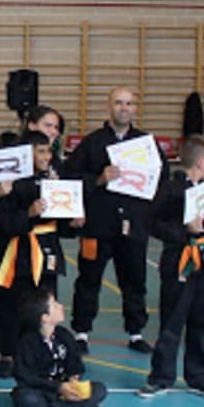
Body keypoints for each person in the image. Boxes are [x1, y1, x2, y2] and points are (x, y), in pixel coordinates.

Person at [66, 86, 163, 355]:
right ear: (109, 106)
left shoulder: (147, 144)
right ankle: (81, 332)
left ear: (135, 108)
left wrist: (151, 214)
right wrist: (99, 178)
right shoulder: (92, 143)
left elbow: (161, 181)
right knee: (88, 279)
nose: (124, 108)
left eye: (129, 103)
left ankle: (135, 332)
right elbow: (71, 177)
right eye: (119, 103)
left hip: (133, 227)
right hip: (97, 226)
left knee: (134, 280)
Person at [139, 135, 204, 399]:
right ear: (201, 162)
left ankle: (199, 377)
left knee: (202, 321)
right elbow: (151, 223)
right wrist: (184, 230)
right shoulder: (170, 190)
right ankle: (161, 377)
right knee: (172, 322)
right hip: (179, 263)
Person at [0, 131, 74, 377]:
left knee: (46, 303)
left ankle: (42, 353)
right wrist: (28, 214)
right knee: (12, 302)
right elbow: (3, 221)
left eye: (48, 151)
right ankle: (7, 354)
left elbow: (62, 224)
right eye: (40, 151)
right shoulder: (10, 182)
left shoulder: (55, 178)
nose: (46, 156)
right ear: (25, 154)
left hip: (48, 247)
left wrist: (74, 221)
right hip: (20, 250)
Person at [11, 290, 107, 407]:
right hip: (42, 390)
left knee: (100, 389)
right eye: (55, 305)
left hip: (66, 390)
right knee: (25, 398)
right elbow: (25, 377)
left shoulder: (64, 336)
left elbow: (76, 365)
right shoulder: (27, 342)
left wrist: (74, 378)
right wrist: (58, 387)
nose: (61, 306)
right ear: (45, 318)